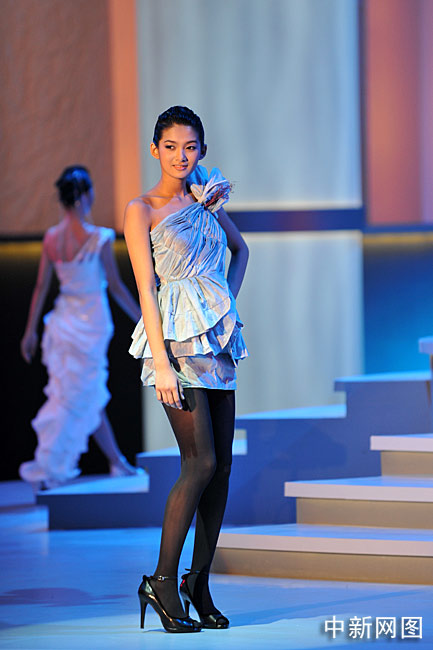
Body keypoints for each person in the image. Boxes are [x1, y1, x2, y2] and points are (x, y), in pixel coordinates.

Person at [124, 106, 249, 633]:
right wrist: (162, 362)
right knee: (199, 463)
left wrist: (225, 307)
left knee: (222, 467)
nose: (181, 156)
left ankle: (199, 581)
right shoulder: (142, 209)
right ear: (155, 149)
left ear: (202, 150)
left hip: (216, 343)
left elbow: (241, 251)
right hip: (175, 347)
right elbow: (146, 290)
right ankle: (162, 581)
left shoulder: (206, 201)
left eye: (191, 147)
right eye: (171, 146)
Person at [20, 165, 142, 490]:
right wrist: (143, 318)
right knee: (82, 395)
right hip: (90, 324)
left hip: (63, 323)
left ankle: (106, 461)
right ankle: (89, 463)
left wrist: (30, 331)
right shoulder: (99, 238)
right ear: (85, 196)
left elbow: (41, 288)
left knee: (78, 395)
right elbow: (115, 287)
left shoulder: (52, 238)